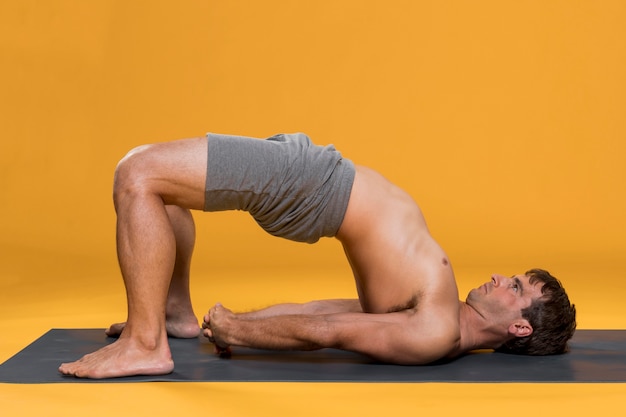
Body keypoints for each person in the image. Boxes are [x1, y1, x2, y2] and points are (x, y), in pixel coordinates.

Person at [58, 133, 576, 378]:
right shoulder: (435, 318)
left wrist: (240, 330)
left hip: (314, 185)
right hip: (320, 181)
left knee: (138, 174)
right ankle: (172, 317)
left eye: (515, 287)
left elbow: (328, 334)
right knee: (160, 186)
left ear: (521, 328)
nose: (498, 277)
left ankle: (146, 343)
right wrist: (234, 324)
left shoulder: (435, 330)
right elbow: (325, 313)